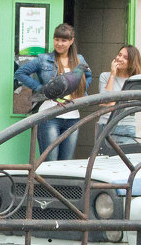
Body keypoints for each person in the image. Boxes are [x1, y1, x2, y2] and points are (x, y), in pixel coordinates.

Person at [14, 23, 92, 160]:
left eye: (64, 40)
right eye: (57, 39)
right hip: (49, 116)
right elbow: (20, 73)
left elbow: (89, 76)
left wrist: (81, 93)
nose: (59, 43)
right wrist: (41, 90)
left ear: (71, 41)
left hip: (72, 117)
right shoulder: (43, 59)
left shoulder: (80, 60)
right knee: (50, 163)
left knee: (65, 163)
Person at [97, 44, 141, 148]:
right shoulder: (105, 76)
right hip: (106, 125)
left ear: (132, 62)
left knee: (125, 160)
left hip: (127, 126)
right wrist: (112, 75)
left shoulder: (135, 80)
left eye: (125, 57)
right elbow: (105, 102)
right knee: (103, 160)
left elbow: (136, 104)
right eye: (119, 55)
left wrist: (114, 102)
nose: (120, 58)